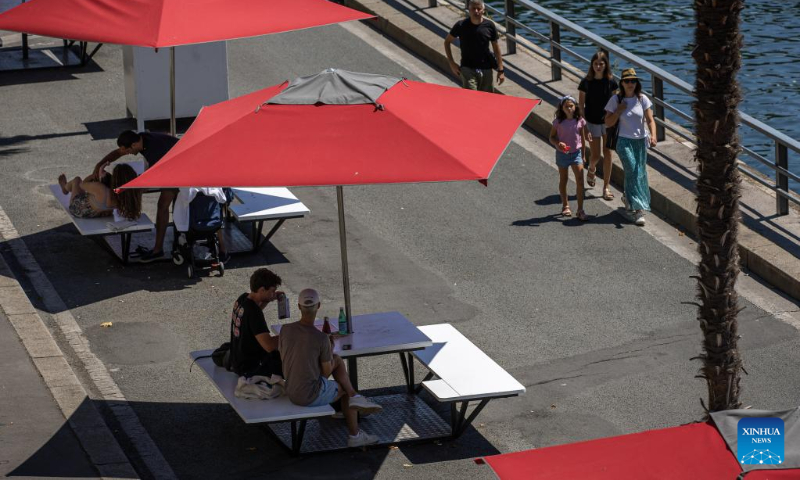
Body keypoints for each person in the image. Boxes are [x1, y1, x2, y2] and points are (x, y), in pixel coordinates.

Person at [279, 289, 382, 448]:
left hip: (291, 388)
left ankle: (351, 402)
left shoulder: (285, 330)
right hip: (307, 396)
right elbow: (326, 373)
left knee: (336, 360)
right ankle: (355, 434)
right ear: (318, 306)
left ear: (299, 307)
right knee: (343, 390)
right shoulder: (320, 338)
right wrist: (329, 347)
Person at [92, 130, 179, 262]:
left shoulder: (153, 151)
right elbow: (117, 153)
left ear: (133, 145)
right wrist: (100, 164)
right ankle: (169, 243)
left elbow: (150, 182)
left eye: (127, 151)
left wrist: (121, 191)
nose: (126, 154)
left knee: (162, 206)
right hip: (170, 160)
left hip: (179, 165)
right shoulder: (141, 137)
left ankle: (157, 250)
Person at [604, 68, 657, 226]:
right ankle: (637, 209)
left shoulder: (642, 99)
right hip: (623, 141)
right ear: (622, 83)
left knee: (639, 173)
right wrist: (619, 111)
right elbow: (607, 122)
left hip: (640, 141)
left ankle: (628, 198)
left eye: (633, 81)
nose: (630, 84)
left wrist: (653, 135)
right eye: (627, 81)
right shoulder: (616, 100)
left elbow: (650, 120)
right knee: (633, 169)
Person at [578, 51, 618, 201]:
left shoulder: (611, 82)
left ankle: (606, 187)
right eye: (596, 64)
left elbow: (615, 103)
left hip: (608, 122)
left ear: (606, 65)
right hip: (592, 121)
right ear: (592, 65)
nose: (599, 66)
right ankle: (592, 168)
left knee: (608, 153)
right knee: (595, 156)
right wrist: (584, 126)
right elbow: (581, 106)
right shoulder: (586, 83)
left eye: (601, 64)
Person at [229, 268, 284, 378]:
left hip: (237, 359)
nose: (273, 294)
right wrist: (288, 335)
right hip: (250, 366)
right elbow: (269, 346)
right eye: (272, 291)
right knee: (289, 361)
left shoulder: (243, 298)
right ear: (262, 290)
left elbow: (253, 318)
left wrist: (268, 299)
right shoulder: (254, 312)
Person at [444, 0, 505, 93]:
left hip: (486, 69)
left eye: (479, 8)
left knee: (487, 101)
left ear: (483, 10)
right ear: (469, 9)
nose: (476, 11)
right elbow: (447, 42)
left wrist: (501, 70)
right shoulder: (461, 25)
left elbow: (496, 49)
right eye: (473, 8)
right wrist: (451, 63)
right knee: (471, 98)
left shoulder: (489, 26)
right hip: (467, 68)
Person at [549, 95, 590, 221]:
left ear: (575, 107)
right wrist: (558, 143)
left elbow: (582, 137)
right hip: (563, 154)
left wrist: (583, 154)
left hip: (576, 153)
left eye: (571, 106)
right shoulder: (558, 122)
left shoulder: (580, 120)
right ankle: (565, 205)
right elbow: (551, 137)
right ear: (562, 108)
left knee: (580, 180)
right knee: (564, 179)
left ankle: (580, 209)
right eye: (566, 106)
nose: (569, 109)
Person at [58, 163, 142, 220]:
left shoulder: (101, 189)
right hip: (100, 213)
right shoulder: (130, 193)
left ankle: (65, 188)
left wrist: (95, 175)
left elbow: (82, 185)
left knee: (77, 180)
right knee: (95, 197)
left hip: (78, 209)